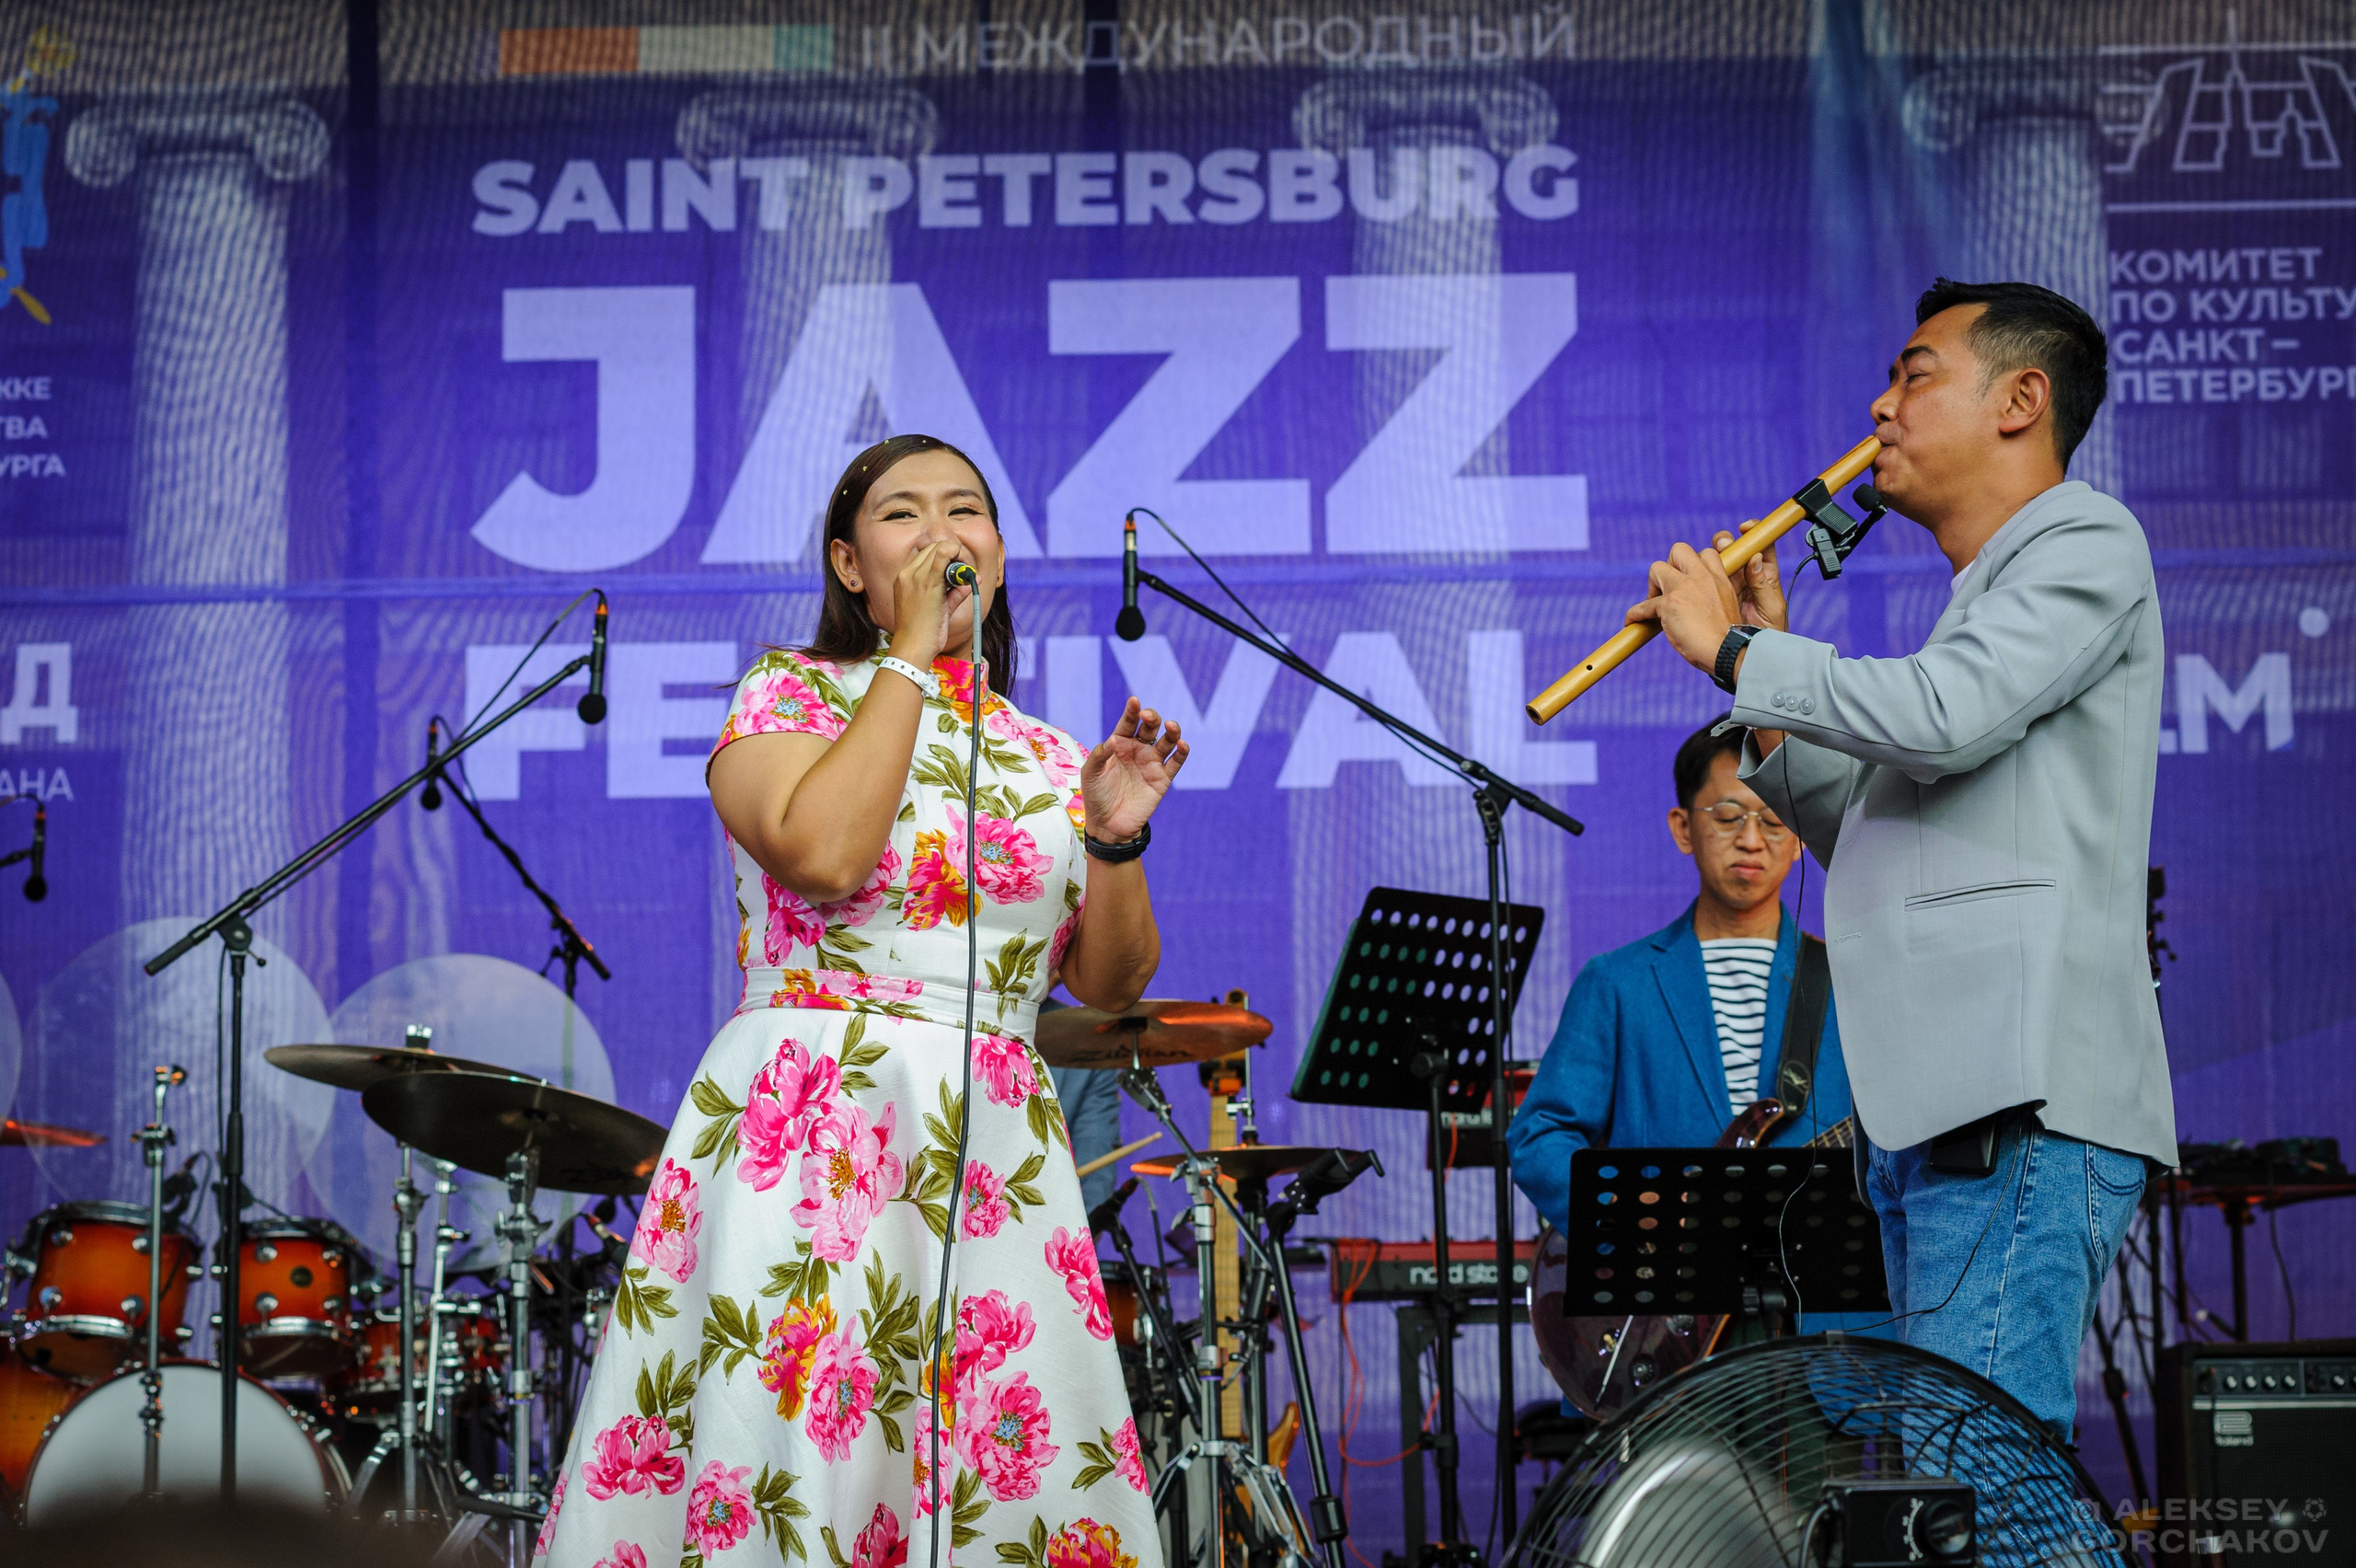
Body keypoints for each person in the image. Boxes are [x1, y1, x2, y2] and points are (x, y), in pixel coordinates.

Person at [536, 434, 1186, 1568]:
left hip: (987, 1141)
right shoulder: (789, 692)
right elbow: (825, 855)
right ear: (848, 564)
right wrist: (908, 659)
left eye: (967, 511)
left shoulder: (1039, 752)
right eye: (903, 515)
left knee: (995, 1473)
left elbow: (1111, 985)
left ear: (996, 550)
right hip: (818, 1122)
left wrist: (1111, 835)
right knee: (799, 1454)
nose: (942, 533)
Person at [1629, 279, 2175, 1438]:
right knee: (1948, 1485)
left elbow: (1942, 715)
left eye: (1913, 374)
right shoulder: (1982, 604)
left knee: (1983, 1478)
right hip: (1939, 1108)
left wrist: (1736, 650)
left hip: (2013, 1108)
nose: (1880, 409)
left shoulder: (2085, 539)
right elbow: (1883, 827)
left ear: (2021, 399)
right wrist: (1766, 680)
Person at [1507, 716, 1871, 1332]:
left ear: (1802, 836)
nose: (1752, 839)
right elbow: (1538, 1137)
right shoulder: (1617, 983)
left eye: (1775, 819)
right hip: (1659, 1325)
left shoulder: (1857, 981)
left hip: (1819, 1332)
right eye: (1728, 815)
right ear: (1683, 828)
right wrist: (1632, 1220)